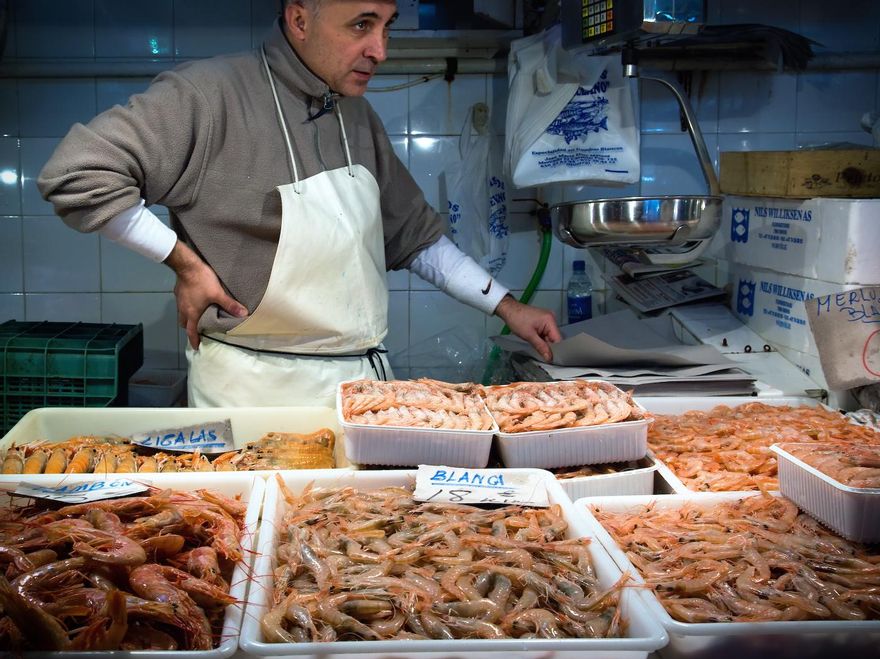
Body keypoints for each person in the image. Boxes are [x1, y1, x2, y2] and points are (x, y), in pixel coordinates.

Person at [38, 0, 561, 407]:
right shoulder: (208, 94)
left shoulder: (356, 116)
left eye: (387, 26)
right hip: (254, 392)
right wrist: (184, 262)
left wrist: (507, 307)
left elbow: (416, 239)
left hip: (359, 391)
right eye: (361, 25)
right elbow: (77, 175)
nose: (380, 49)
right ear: (299, 20)